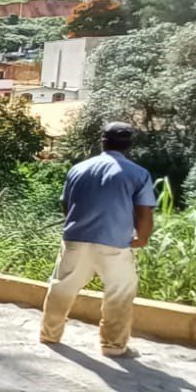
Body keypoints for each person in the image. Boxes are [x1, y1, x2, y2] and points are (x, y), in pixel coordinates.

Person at [40, 121, 156, 357]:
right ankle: (112, 346)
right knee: (119, 293)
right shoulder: (138, 174)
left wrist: (75, 228)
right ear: (129, 145)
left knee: (62, 287)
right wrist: (142, 238)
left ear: (102, 142)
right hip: (114, 244)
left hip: (75, 239)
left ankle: (49, 334)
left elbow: (67, 205)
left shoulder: (78, 169)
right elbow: (144, 212)